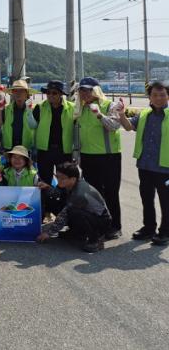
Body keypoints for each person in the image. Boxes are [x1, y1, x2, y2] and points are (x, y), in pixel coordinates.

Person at [119, 80, 169, 245]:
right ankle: (148, 228)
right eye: (155, 95)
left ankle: (165, 232)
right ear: (150, 97)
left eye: (162, 95)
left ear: (168, 96)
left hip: (165, 167)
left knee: (166, 201)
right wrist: (121, 114)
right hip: (145, 165)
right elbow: (128, 127)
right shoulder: (144, 114)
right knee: (146, 199)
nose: (159, 98)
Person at [73, 76, 123, 239]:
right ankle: (99, 225)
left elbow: (114, 126)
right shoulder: (80, 109)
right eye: (81, 90)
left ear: (96, 90)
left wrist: (100, 115)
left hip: (108, 157)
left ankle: (115, 226)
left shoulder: (109, 105)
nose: (84, 93)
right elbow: (78, 134)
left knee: (111, 192)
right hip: (88, 157)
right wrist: (76, 155)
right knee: (94, 194)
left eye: (88, 90)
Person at [36, 162, 112, 253]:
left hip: (101, 221)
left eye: (62, 178)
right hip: (87, 214)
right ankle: (77, 233)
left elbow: (64, 214)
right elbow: (57, 194)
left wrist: (48, 233)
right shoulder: (67, 183)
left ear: (73, 179)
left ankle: (96, 240)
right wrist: (47, 187)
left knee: (73, 211)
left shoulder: (79, 193)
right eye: (57, 177)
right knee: (52, 200)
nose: (59, 180)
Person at [30, 80, 74, 182]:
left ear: (61, 94)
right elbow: (32, 126)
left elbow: (77, 130)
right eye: (48, 92)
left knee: (64, 180)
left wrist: (76, 151)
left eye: (54, 93)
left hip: (64, 151)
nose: (50, 95)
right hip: (44, 151)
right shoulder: (39, 107)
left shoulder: (72, 108)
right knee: (44, 181)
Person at [0, 79, 35, 152]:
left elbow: (34, 127)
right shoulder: (5, 109)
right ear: (12, 94)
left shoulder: (33, 109)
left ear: (27, 94)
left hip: (26, 148)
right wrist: (0, 109)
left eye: (21, 91)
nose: (18, 93)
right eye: (15, 91)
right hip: (9, 148)